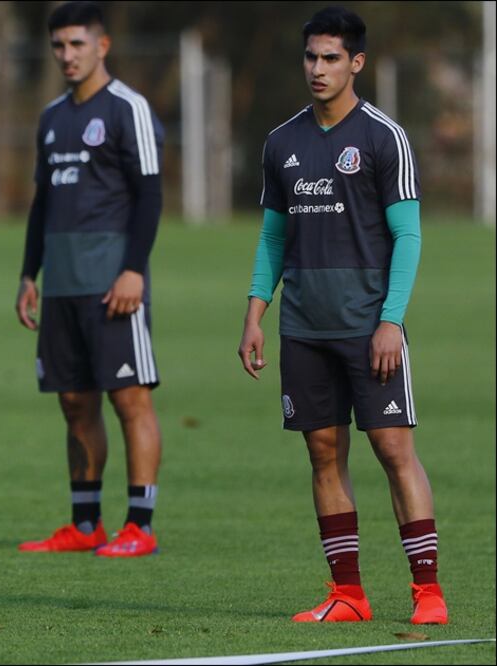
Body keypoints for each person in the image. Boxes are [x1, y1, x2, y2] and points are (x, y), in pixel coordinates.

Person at [238, 7, 447, 625]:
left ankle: (428, 592)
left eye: (331, 58)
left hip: (368, 326)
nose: (318, 69)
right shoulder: (282, 141)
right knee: (323, 455)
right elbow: (273, 238)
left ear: (357, 62)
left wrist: (391, 320)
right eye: (310, 57)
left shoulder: (384, 136)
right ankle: (348, 594)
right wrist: (255, 313)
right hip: (302, 327)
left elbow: (407, 237)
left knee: (391, 448)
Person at [16, 1, 165, 558]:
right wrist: (29, 274)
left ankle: (141, 526)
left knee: (131, 401)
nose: (67, 55)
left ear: (102, 46)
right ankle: (85, 524)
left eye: (77, 44)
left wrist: (133, 270)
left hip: (113, 284)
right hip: (61, 286)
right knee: (75, 402)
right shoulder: (52, 116)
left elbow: (150, 196)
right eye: (59, 46)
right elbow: (42, 203)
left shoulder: (129, 109)